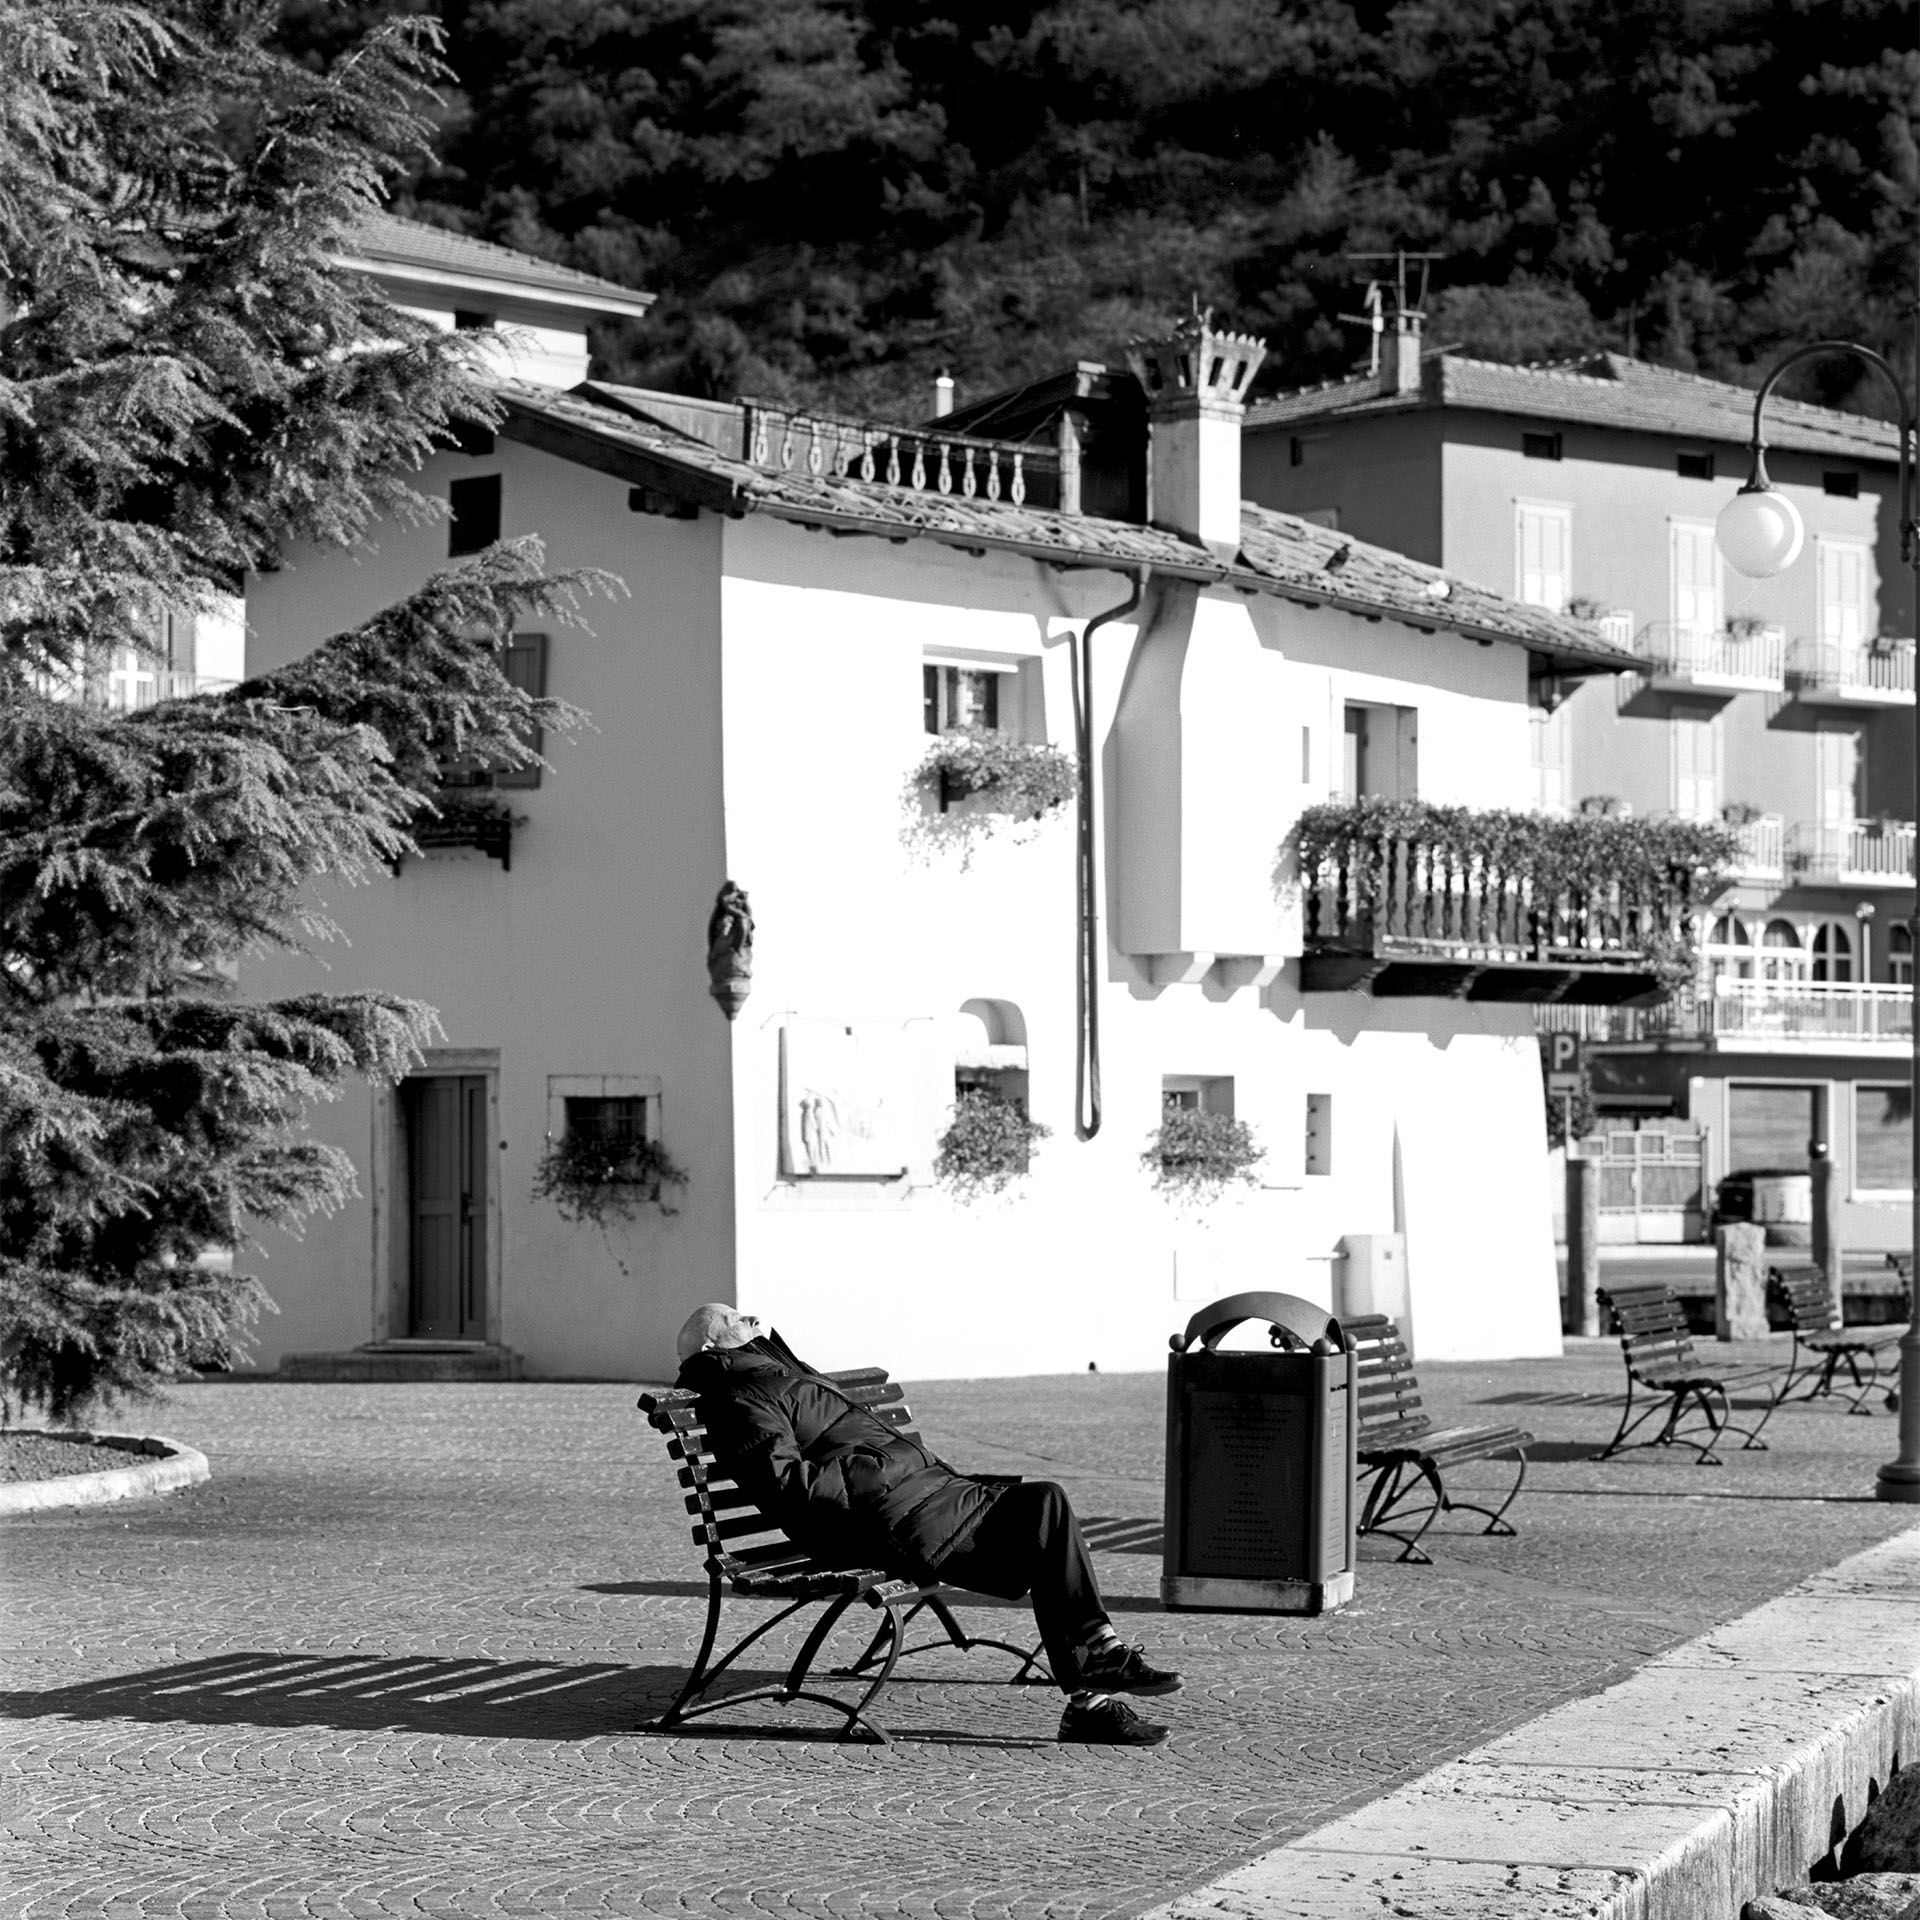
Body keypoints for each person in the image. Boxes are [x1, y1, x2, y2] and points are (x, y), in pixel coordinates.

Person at [675, 1302, 1180, 1746]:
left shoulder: (769, 1374)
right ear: (708, 1342)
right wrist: (880, 1467)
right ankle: (1092, 1686)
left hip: (921, 1500)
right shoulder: (737, 1395)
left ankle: (1100, 1654)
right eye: (735, 1317)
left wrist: (888, 1468)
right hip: (885, 1524)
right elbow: (785, 1485)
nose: (754, 1319)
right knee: (1042, 1530)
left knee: (1046, 1504)